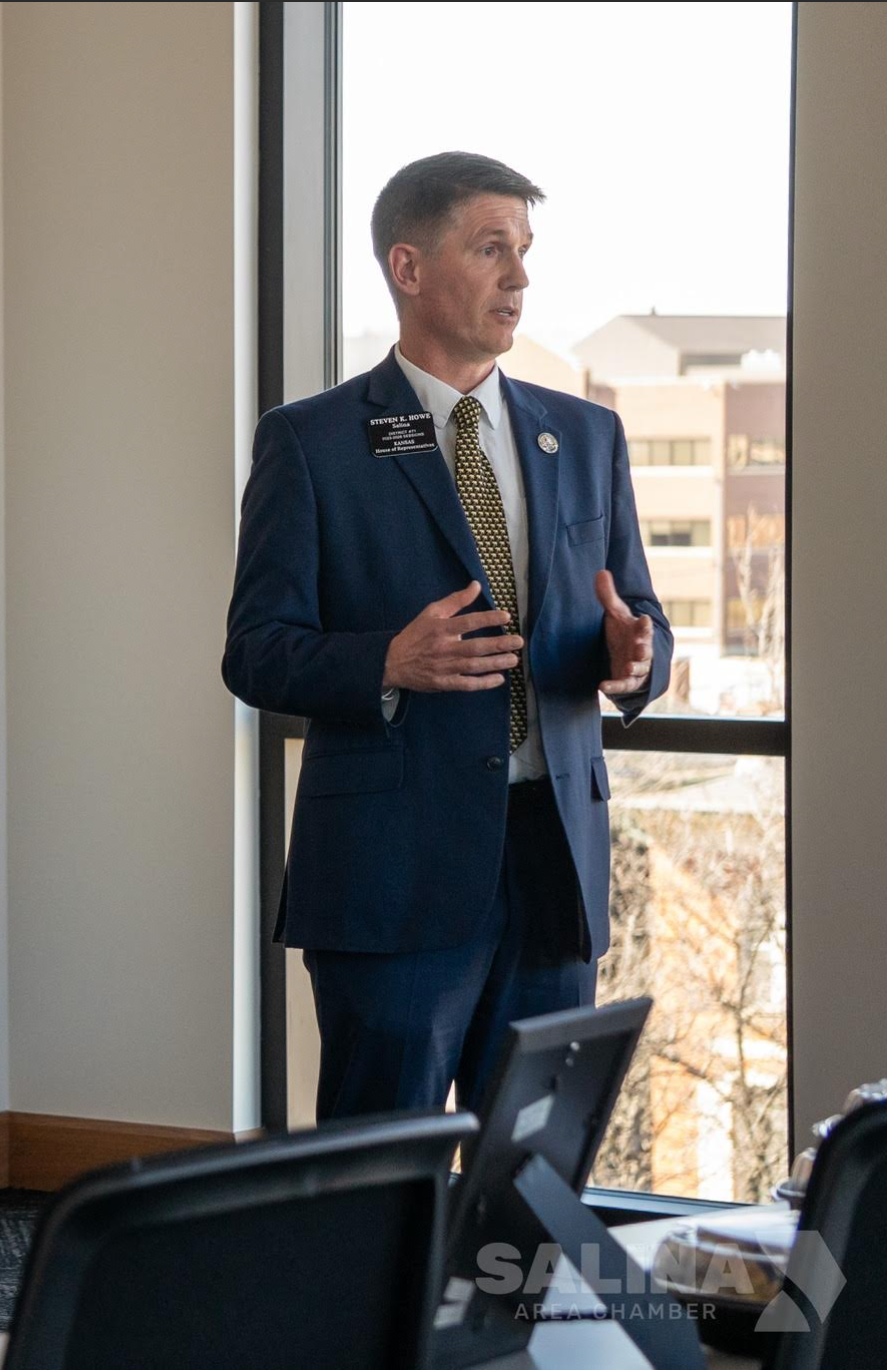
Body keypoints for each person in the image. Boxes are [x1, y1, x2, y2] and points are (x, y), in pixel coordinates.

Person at [222, 152, 672, 1122]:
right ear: (408, 267)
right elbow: (255, 648)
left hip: (552, 868)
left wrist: (636, 659)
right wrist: (386, 660)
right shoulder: (313, 443)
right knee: (382, 1177)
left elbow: (635, 613)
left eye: (523, 251)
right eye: (489, 248)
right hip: (392, 874)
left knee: (534, 1184)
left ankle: (509, 1288)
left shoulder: (585, 435)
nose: (518, 277)